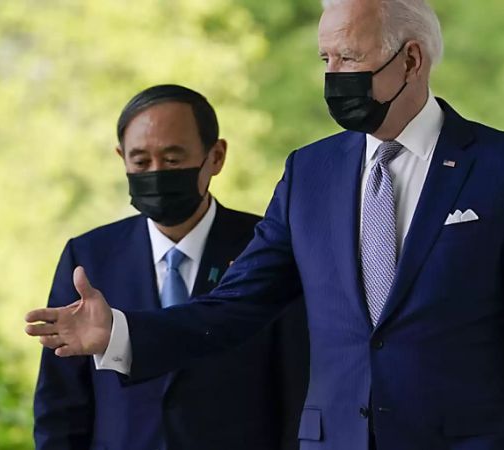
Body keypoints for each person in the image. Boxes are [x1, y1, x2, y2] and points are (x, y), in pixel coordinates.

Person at [26, 1, 504, 448]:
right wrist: (121, 333)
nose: (332, 76)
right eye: (325, 60)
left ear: (411, 60)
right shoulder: (309, 172)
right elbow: (236, 305)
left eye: (348, 57)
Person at [32, 84, 309, 450]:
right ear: (122, 159)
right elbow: (60, 407)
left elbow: (297, 390)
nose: (156, 172)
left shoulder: (268, 251)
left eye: (173, 159)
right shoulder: (88, 257)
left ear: (216, 156)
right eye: (141, 161)